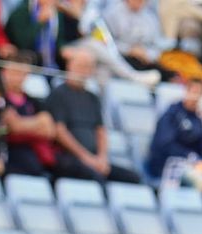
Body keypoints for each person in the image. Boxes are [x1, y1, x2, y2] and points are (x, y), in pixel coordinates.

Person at [47, 47, 141, 183]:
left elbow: (100, 130)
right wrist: (86, 158)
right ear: (69, 65)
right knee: (95, 178)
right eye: (80, 66)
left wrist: (102, 158)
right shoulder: (58, 94)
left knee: (133, 178)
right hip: (67, 158)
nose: (83, 71)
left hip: (94, 159)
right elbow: (60, 131)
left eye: (87, 67)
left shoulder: (93, 98)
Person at [0, 55, 58, 176]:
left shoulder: (34, 101)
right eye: (15, 72)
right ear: (4, 72)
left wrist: (20, 124)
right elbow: (11, 127)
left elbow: (50, 131)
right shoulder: (0, 98)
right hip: (9, 153)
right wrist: (37, 124)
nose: (18, 77)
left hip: (34, 155)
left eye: (23, 74)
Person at [102, 0, 171, 74]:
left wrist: (147, 54)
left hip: (146, 60)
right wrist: (129, 50)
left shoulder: (150, 17)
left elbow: (156, 45)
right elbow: (106, 42)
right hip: (121, 58)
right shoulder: (112, 14)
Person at [6, 0, 78, 69]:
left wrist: (62, 48)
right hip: (26, 62)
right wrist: (39, 22)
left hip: (51, 64)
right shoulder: (22, 11)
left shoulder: (56, 12)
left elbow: (58, 40)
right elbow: (22, 43)